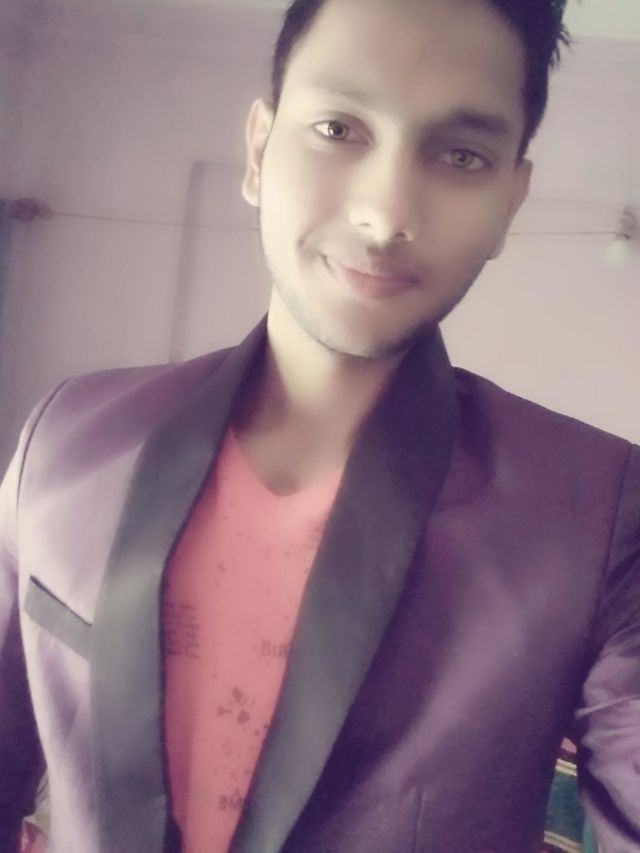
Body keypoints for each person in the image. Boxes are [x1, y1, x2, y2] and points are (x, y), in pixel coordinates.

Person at [1, 0, 639, 850]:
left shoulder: (595, 512)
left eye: (461, 155)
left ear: (509, 202)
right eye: (338, 129)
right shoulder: (68, 438)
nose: (385, 214)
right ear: (259, 151)